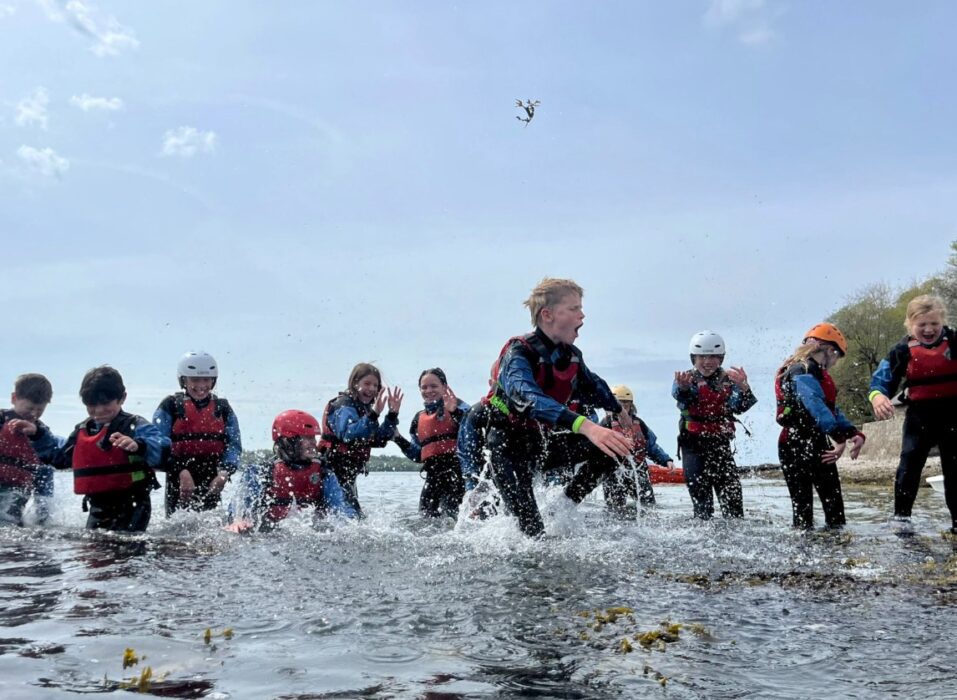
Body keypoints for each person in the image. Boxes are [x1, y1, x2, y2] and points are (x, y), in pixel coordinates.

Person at [486, 277, 632, 537]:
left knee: (614, 446)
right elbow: (527, 397)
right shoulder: (518, 352)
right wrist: (585, 425)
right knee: (533, 534)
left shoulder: (571, 355)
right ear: (548, 314)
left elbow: (593, 385)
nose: (583, 315)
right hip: (507, 450)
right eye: (574, 308)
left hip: (539, 444)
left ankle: (561, 507)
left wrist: (617, 410)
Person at [869, 295, 957, 533]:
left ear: (943, 322)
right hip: (920, 415)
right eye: (922, 325)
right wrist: (878, 397)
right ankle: (902, 518)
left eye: (934, 324)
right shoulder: (901, 350)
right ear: (910, 325)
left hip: (953, 415)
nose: (928, 330)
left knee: (954, 469)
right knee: (909, 463)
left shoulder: (955, 342)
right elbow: (879, 382)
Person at [55, 366, 168, 532]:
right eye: (91, 405)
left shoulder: (134, 425)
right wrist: (36, 434)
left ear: (122, 398)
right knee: (92, 552)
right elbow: (59, 459)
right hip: (98, 506)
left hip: (134, 505)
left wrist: (139, 445)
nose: (99, 410)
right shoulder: (83, 429)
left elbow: (163, 445)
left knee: (126, 551)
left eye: (105, 403)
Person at [775, 324, 865, 529]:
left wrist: (852, 432)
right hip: (794, 444)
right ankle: (808, 557)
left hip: (817, 443)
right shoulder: (799, 370)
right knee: (803, 514)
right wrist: (839, 438)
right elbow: (813, 403)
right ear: (829, 350)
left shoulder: (818, 375)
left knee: (835, 513)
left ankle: (832, 556)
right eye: (837, 357)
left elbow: (830, 409)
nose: (835, 363)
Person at [673, 330, 756, 520]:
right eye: (702, 357)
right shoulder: (686, 380)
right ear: (694, 358)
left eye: (713, 356)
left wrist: (744, 387)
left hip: (720, 446)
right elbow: (681, 396)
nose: (708, 361)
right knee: (703, 507)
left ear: (721, 358)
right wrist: (683, 388)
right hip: (693, 447)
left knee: (734, 505)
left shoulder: (729, 380)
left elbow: (739, 407)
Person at [229, 410, 357, 532]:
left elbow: (340, 507)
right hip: (267, 532)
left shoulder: (324, 472)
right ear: (288, 441)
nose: (313, 443)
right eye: (307, 438)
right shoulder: (261, 472)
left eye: (313, 438)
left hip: (309, 532)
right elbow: (239, 504)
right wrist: (238, 520)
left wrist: (349, 526)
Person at [153, 352, 242, 516]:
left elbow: (233, 446)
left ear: (213, 380)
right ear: (183, 380)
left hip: (212, 475)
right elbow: (158, 444)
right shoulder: (170, 406)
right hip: (178, 476)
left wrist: (224, 474)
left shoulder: (222, 408)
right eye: (194, 379)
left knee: (209, 527)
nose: (201, 385)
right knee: (176, 531)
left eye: (206, 380)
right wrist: (181, 471)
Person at [318, 363, 402, 516]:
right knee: (351, 517)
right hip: (333, 470)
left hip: (348, 472)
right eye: (367, 383)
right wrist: (374, 413)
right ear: (355, 383)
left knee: (353, 517)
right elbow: (349, 435)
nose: (371, 389)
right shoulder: (343, 406)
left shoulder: (366, 410)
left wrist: (391, 415)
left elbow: (378, 439)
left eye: (375, 385)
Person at [394, 368, 469, 518]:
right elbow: (417, 455)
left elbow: (473, 438)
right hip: (432, 479)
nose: (429, 390)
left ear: (445, 387)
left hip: (459, 477)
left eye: (434, 386)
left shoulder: (461, 408)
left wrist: (455, 413)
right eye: (424, 387)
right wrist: (397, 438)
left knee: (454, 521)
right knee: (425, 521)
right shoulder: (418, 419)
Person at [600, 385, 675, 511]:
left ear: (631, 405)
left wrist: (666, 460)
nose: (623, 407)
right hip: (613, 475)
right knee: (614, 511)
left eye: (626, 403)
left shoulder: (639, 424)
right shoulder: (604, 424)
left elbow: (651, 447)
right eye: (619, 403)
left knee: (649, 507)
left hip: (637, 472)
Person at [0, 374, 61, 526]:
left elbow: (47, 468)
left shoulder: (42, 434)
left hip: (16, 497)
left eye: (40, 410)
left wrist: (43, 515)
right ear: (14, 398)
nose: (34, 414)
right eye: (29, 408)